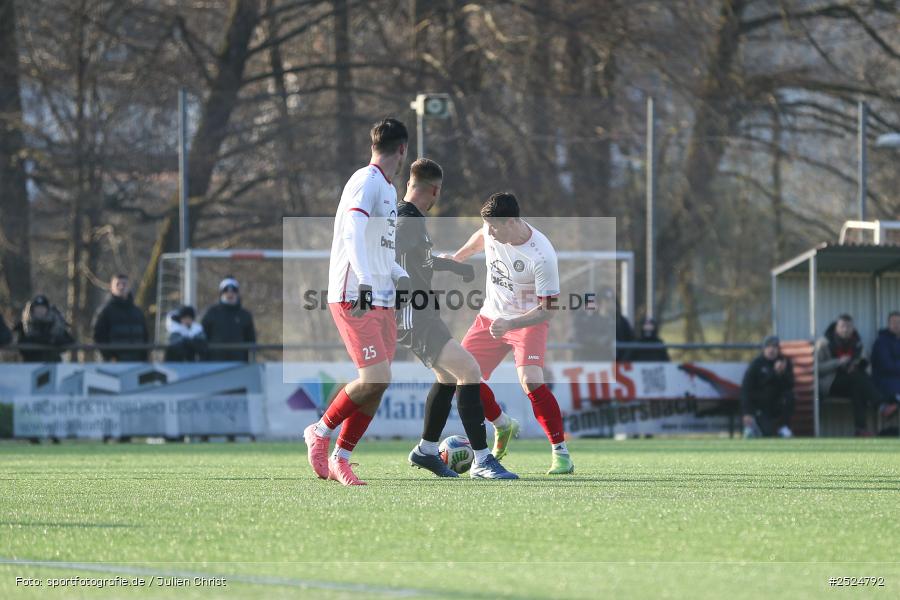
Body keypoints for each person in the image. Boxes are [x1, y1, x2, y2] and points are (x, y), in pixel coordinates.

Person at [303, 117, 410, 486]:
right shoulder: (366, 180)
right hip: (354, 293)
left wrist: (399, 274)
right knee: (375, 376)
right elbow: (352, 232)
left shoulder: (388, 189)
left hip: (380, 296)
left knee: (378, 383)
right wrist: (364, 280)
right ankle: (319, 431)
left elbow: (379, 247)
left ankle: (342, 458)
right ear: (403, 149)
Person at [395, 158, 517, 479]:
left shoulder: (410, 218)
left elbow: (421, 261)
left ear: (410, 184)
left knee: (448, 377)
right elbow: (387, 260)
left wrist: (454, 266)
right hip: (413, 314)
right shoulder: (406, 220)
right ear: (435, 190)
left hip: (422, 312)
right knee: (469, 370)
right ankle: (482, 460)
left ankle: (426, 450)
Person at [451, 192, 574, 474]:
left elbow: (549, 309)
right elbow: (480, 237)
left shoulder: (542, 255)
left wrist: (510, 324)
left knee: (531, 380)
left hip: (528, 320)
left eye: (494, 227)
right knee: (462, 375)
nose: (490, 232)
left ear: (511, 222)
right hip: (490, 317)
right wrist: (458, 257)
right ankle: (503, 424)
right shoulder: (492, 230)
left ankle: (561, 454)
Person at [815, 314, 884, 436]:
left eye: (849, 326)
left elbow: (867, 366)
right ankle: (879, 404)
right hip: (829, 384)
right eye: (842, 326)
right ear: (836, 327)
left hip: (850, 382)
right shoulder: (823, 343)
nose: (845, 329)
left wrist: (856, 366)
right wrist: (838, 362)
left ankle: (860, 430)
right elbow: (817, 368)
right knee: (857, 379)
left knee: (858, 386)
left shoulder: (858, 343)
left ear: (853, 328)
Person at [740, 335, 794, 438]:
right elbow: (746, 389)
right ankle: (752, 427)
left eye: (774, 347)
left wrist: (782, 374)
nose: (771, 350)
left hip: (776, 404)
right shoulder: (756, 364)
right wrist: (747, 412)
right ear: (764, 348)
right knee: (767, 433)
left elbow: (790, 385)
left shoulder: (784, 362)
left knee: (789, 396)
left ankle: (784, 427)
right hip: (760, 405)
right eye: (768, 346)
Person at [92, 274, 149, 362]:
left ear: (129, 287)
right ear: (111, 287)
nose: (121, 287)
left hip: (137, 362)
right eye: (118, 284)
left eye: (124, 284)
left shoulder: (137, 312)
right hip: (113, 364)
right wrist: (109, 357)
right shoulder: (105, 312)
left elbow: (145, 336)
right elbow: (98, 337)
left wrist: (144, 357)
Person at [201, 278, 256, 362]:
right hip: (215, 362)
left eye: (233, 291)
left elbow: (251, 339)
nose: (230, 294)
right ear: (221, 293)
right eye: (226, 291)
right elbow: (203, 336)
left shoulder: (245, 315)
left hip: (239, 362)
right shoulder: (211, 313)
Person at [13, 295, 75, 362]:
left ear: (47, 309)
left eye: (42, 308)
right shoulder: (24, 325)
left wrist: (52, 340)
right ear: (32, 309)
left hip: (53, 363)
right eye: (37, 308)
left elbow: (69, 340)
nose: (40, 310)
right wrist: (46, 340)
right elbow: (21, 345)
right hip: (30, 363)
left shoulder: (56, 323)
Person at [870, 311, 900, 419]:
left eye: (899, 322)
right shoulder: (881, 342)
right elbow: (887, 366)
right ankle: (892, 405)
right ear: (888, 324)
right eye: (893, 322)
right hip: (884, 380)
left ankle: (895, 403)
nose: (896, 325)